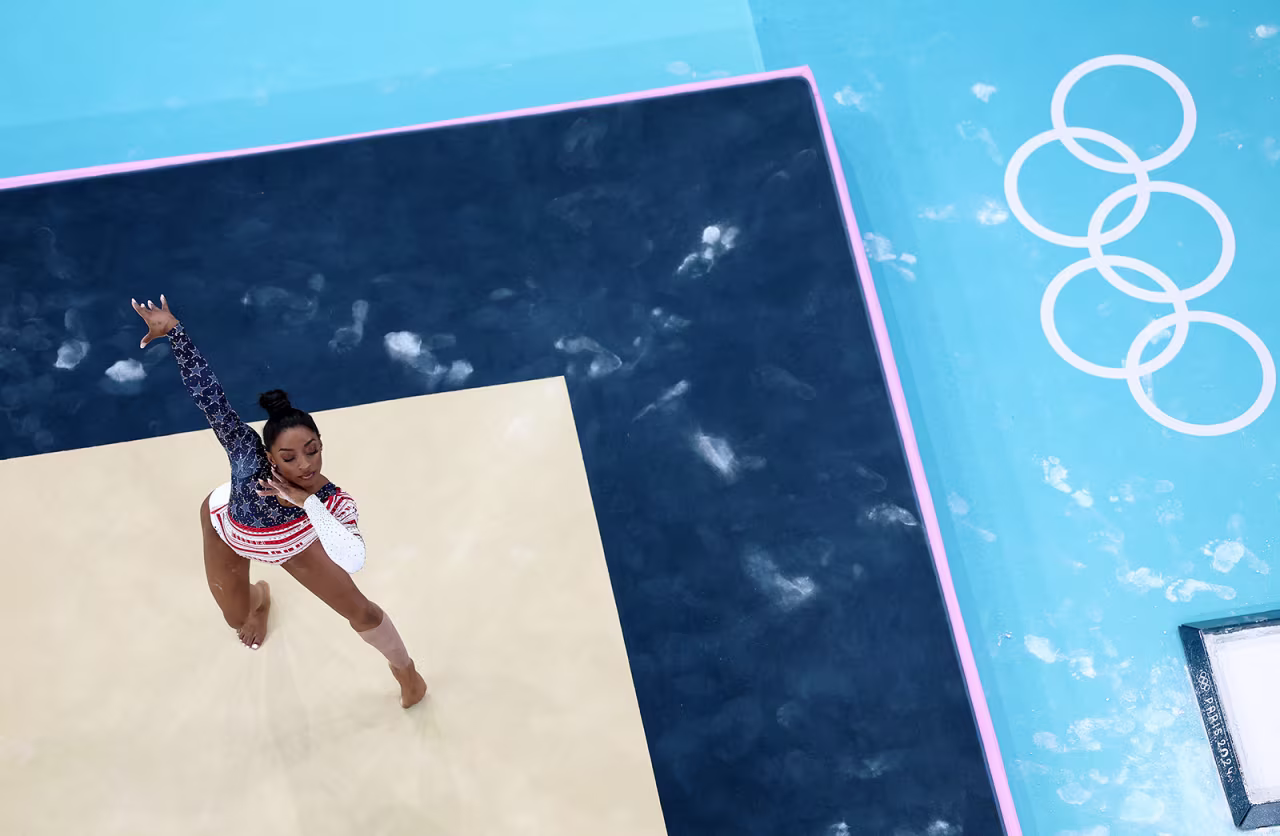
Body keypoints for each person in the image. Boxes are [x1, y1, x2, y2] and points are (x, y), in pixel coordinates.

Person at [130, 295, 428, 709]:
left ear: (321, 444)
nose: (304, 465)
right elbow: (209, 397)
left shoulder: (332, 500)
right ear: (269, 456)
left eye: (313, 450)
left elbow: (353, 558)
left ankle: (407, 672)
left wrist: (308, 504)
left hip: (292, 543)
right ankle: (260, 598)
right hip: (229, 530)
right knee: (236, 619)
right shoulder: (246, 453)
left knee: (362, 612)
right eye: (289, 457)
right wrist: (176, 334)